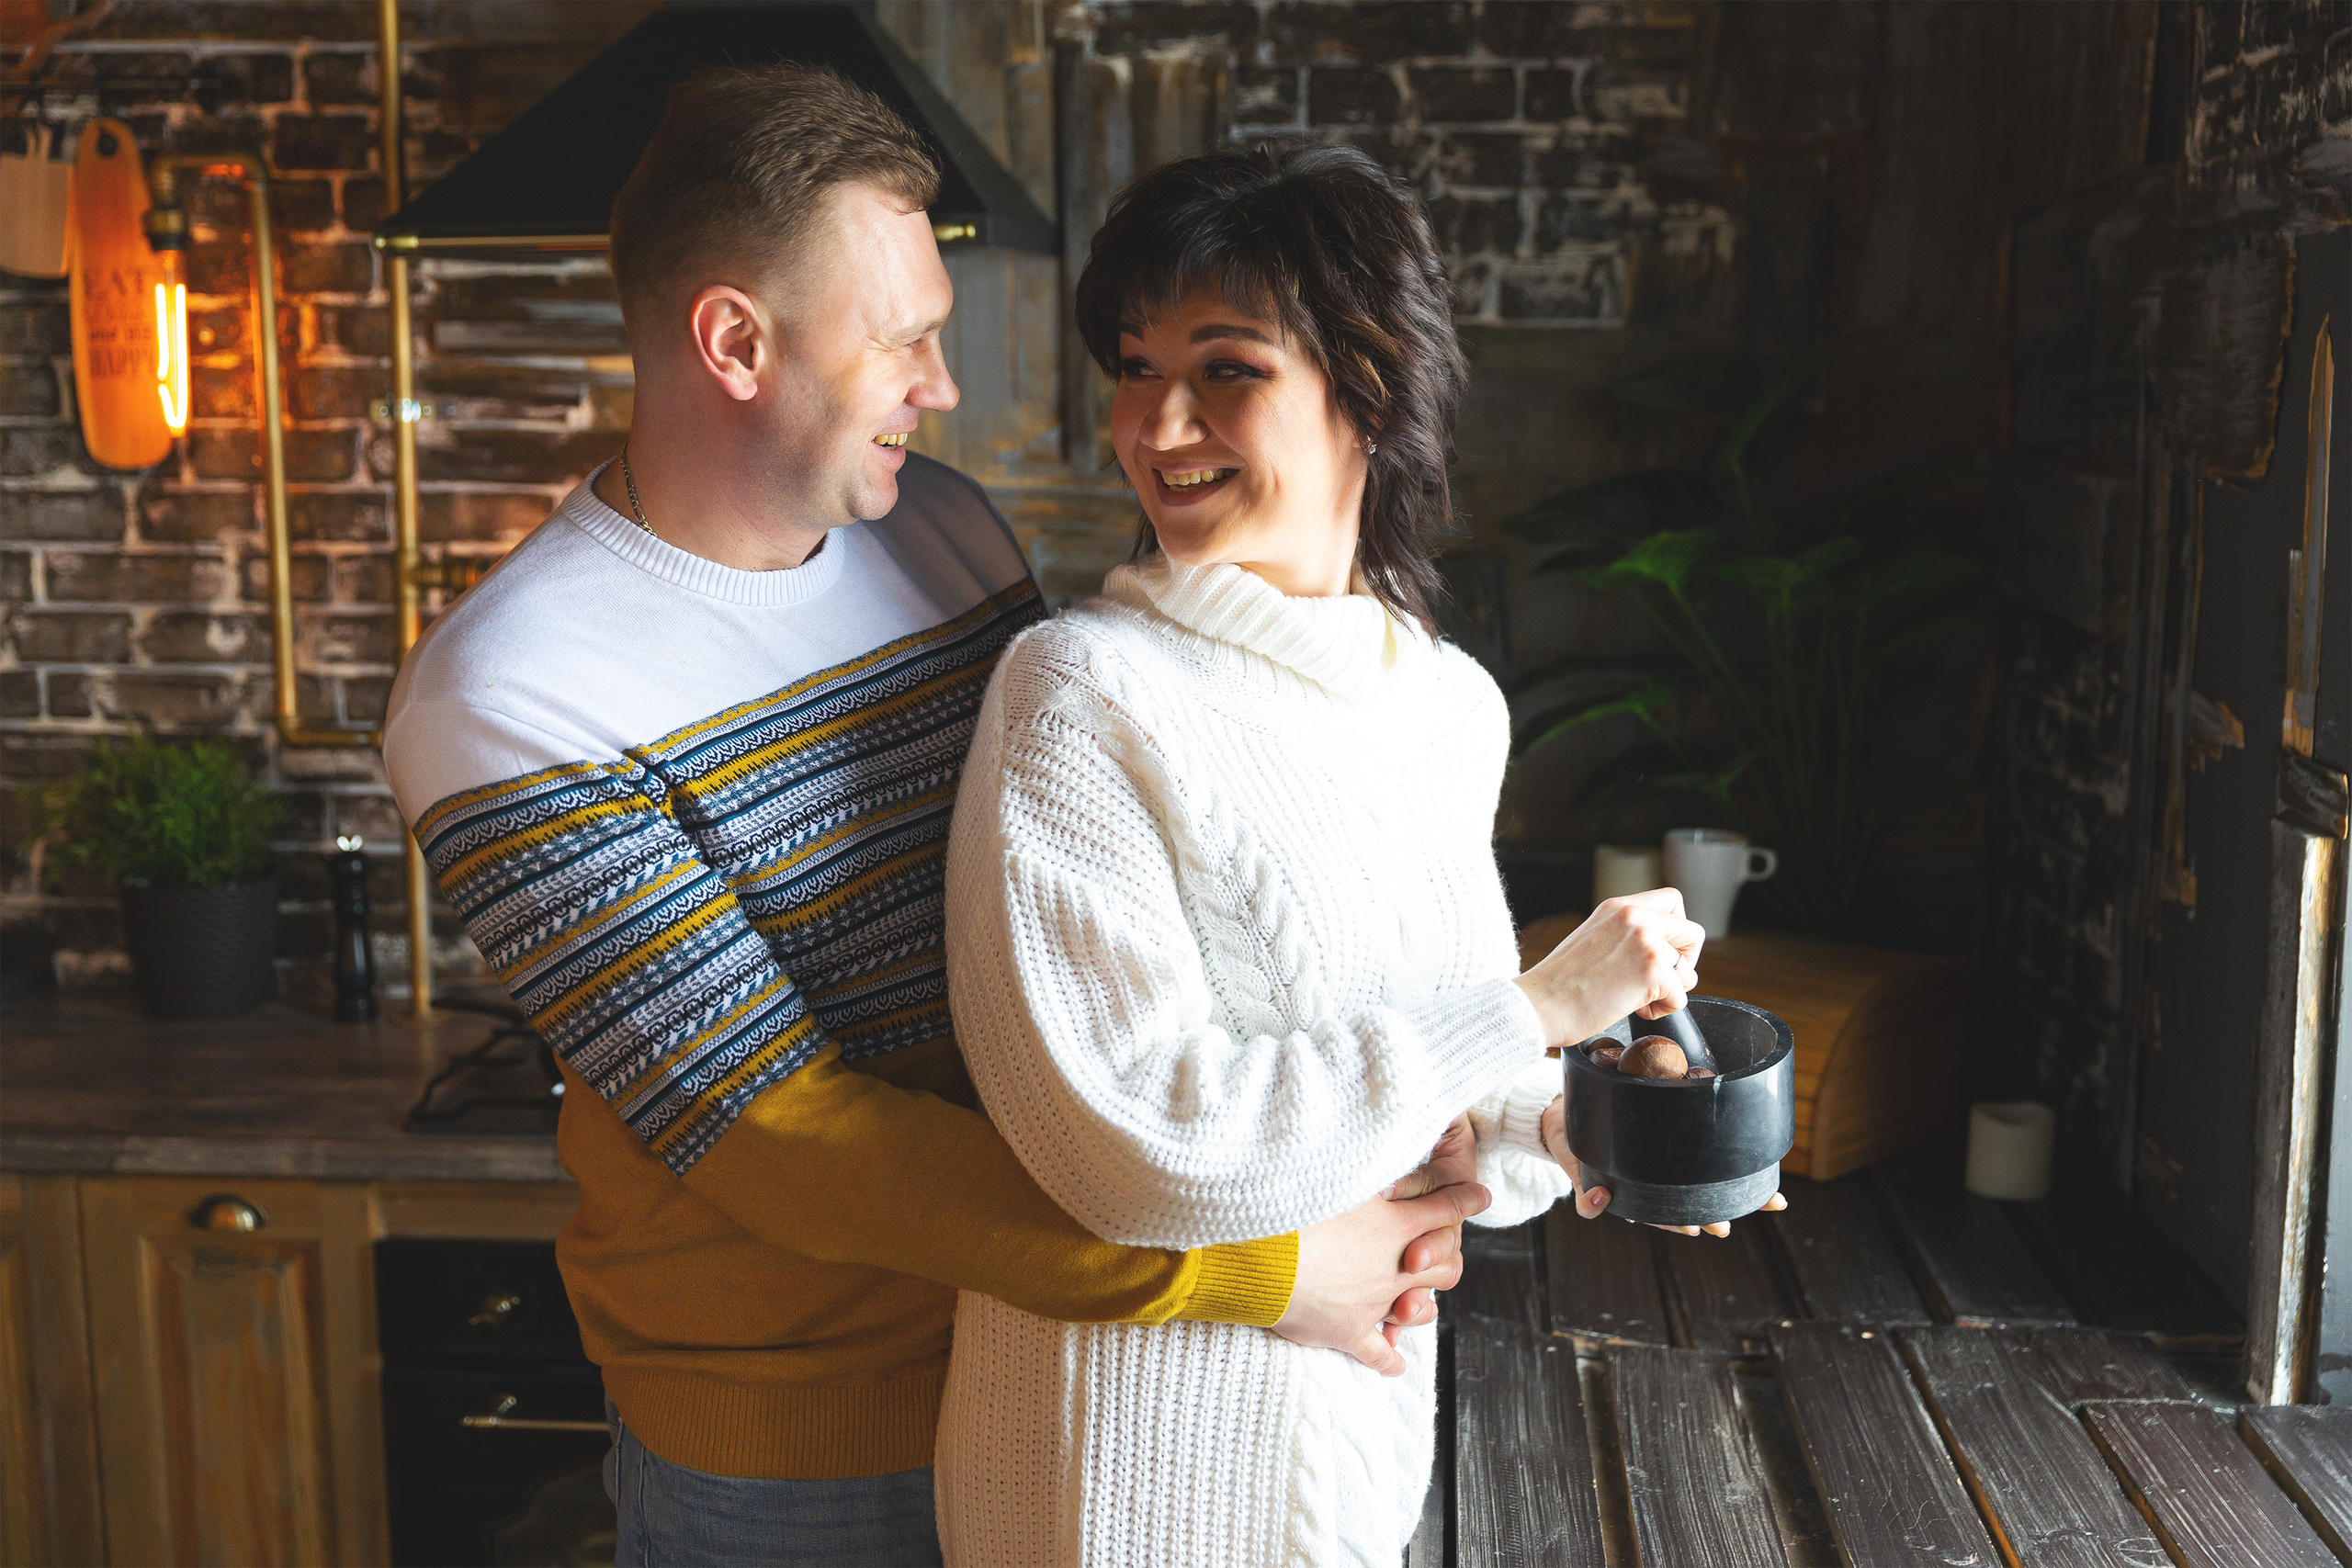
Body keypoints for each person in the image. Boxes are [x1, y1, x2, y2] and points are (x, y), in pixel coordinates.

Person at [380, 66, 1485, 1568]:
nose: (943, 383)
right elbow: (791, 1136)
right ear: (734, 341)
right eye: (905, 337)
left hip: (1072, 1386)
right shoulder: (508, 698)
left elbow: (1113, 927)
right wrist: (1258, 1269)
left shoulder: (943, 531)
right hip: (800, 1457)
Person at [934, 141, 1782, 1567]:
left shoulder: (1445, 704)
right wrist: (1532, 1009)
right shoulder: (1079, 695)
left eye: (1226, 368)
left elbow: (1443, 1105)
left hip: (1354, 1455)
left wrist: (1578, 1133)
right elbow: (1133, 1141)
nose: (1159, 422)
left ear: (1367, 393)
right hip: (1121, 1487)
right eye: (1137, 367)